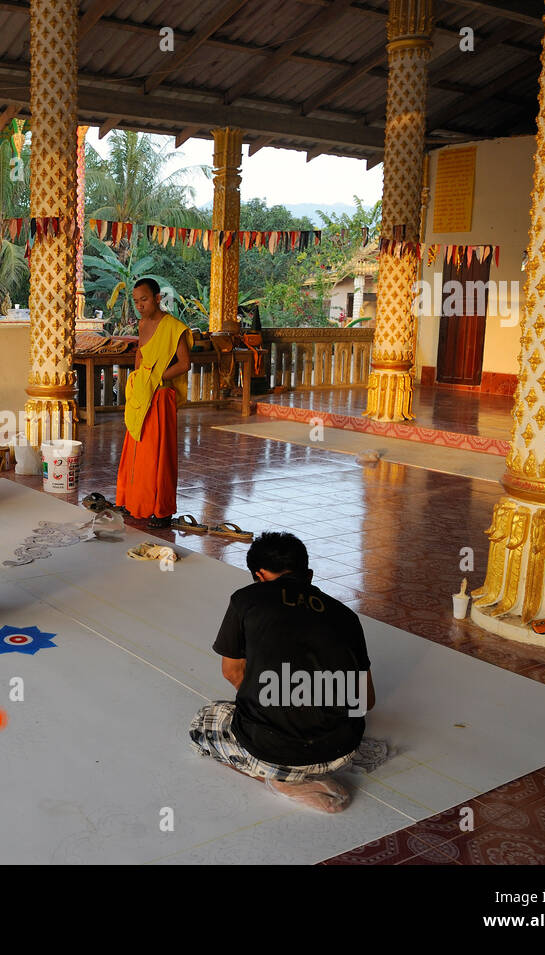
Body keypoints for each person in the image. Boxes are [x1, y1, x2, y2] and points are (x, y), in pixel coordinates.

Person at [189, 532, 375, 813]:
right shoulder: (346, 616)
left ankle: (284, 779)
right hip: (341, 750)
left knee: (203, 723)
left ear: (259, 575)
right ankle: (307, 772)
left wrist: (268, 701)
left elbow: (232, 671)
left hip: (274, 751)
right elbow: (365, 700)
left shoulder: (246, 600)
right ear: (308, 574)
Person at [116, 278, 191, 528]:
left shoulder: (173, 326)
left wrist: (155, 379)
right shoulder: (143, 323)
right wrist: (139, 382)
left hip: (160, 395)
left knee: (159, 454)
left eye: (144, 299)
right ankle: (134, 502)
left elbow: (184, 364)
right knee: (137, 449)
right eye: (136, 301)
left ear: (158, 298)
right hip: (142, 393)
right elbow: (140, 354)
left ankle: (161, 510)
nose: (139, 305)